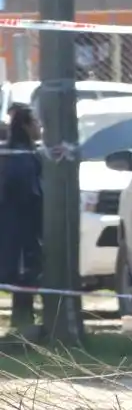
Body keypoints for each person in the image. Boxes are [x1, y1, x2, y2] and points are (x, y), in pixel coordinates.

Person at [0, 105, 43, 331]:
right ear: (26, 126)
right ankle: (23, 321)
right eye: (35, 122)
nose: (39, 127)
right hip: (20, 226)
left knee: (26, 274)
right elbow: (28, 194)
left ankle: (24, 319)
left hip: (21, 226)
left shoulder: (27, 153)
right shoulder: (20, 157)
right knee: (24, 273)